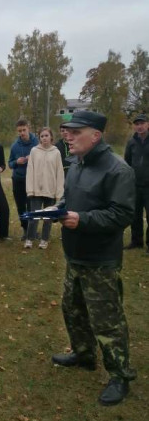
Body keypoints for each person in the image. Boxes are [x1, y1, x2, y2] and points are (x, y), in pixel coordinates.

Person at [51, 110, 136, 406]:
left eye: (75, 132)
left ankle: (120, 375)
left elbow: (123, 213)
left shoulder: (118, 170)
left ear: (95, 136)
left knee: (107, 321)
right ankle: (84, 354)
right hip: (75, 255)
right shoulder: (76, 164)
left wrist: (83, 219)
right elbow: (72, 198)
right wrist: (59, 209)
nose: (68, 136)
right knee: (72, 309)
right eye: (67, 131)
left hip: (100, 260)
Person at [24, 127, 64, 249]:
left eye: (46, 135)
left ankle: (44, 239)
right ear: (39, 138)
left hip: (50, 191)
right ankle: (29, 239)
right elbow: (30, 171)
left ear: (51, 137)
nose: (44, 138)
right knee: (34, 217)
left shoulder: (56, 153)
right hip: (36, 190)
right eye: (42, 136)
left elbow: (59, 174)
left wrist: (59, 194)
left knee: (47, 218)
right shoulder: (34, 151)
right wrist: (30, 190)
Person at [8, 119, 39, 239]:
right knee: (21, 206)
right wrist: (17, 161)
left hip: (33, 179)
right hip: (18, 180)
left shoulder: (36, 143)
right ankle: (25, 230)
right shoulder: (15, 146)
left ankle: (33, 230)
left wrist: (33, 157)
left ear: (28, 128)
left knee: (32, 206)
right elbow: (10, 164)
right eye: (19, 131)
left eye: (24, 130)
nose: (22, 133)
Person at [124, 113, 149, 252]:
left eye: (142, 123)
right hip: (135, 185)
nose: (139, 126)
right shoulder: (131, 142)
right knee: (135, 215)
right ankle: (136, 241)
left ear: (147, 124)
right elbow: (127, 162)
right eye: (137, 124)